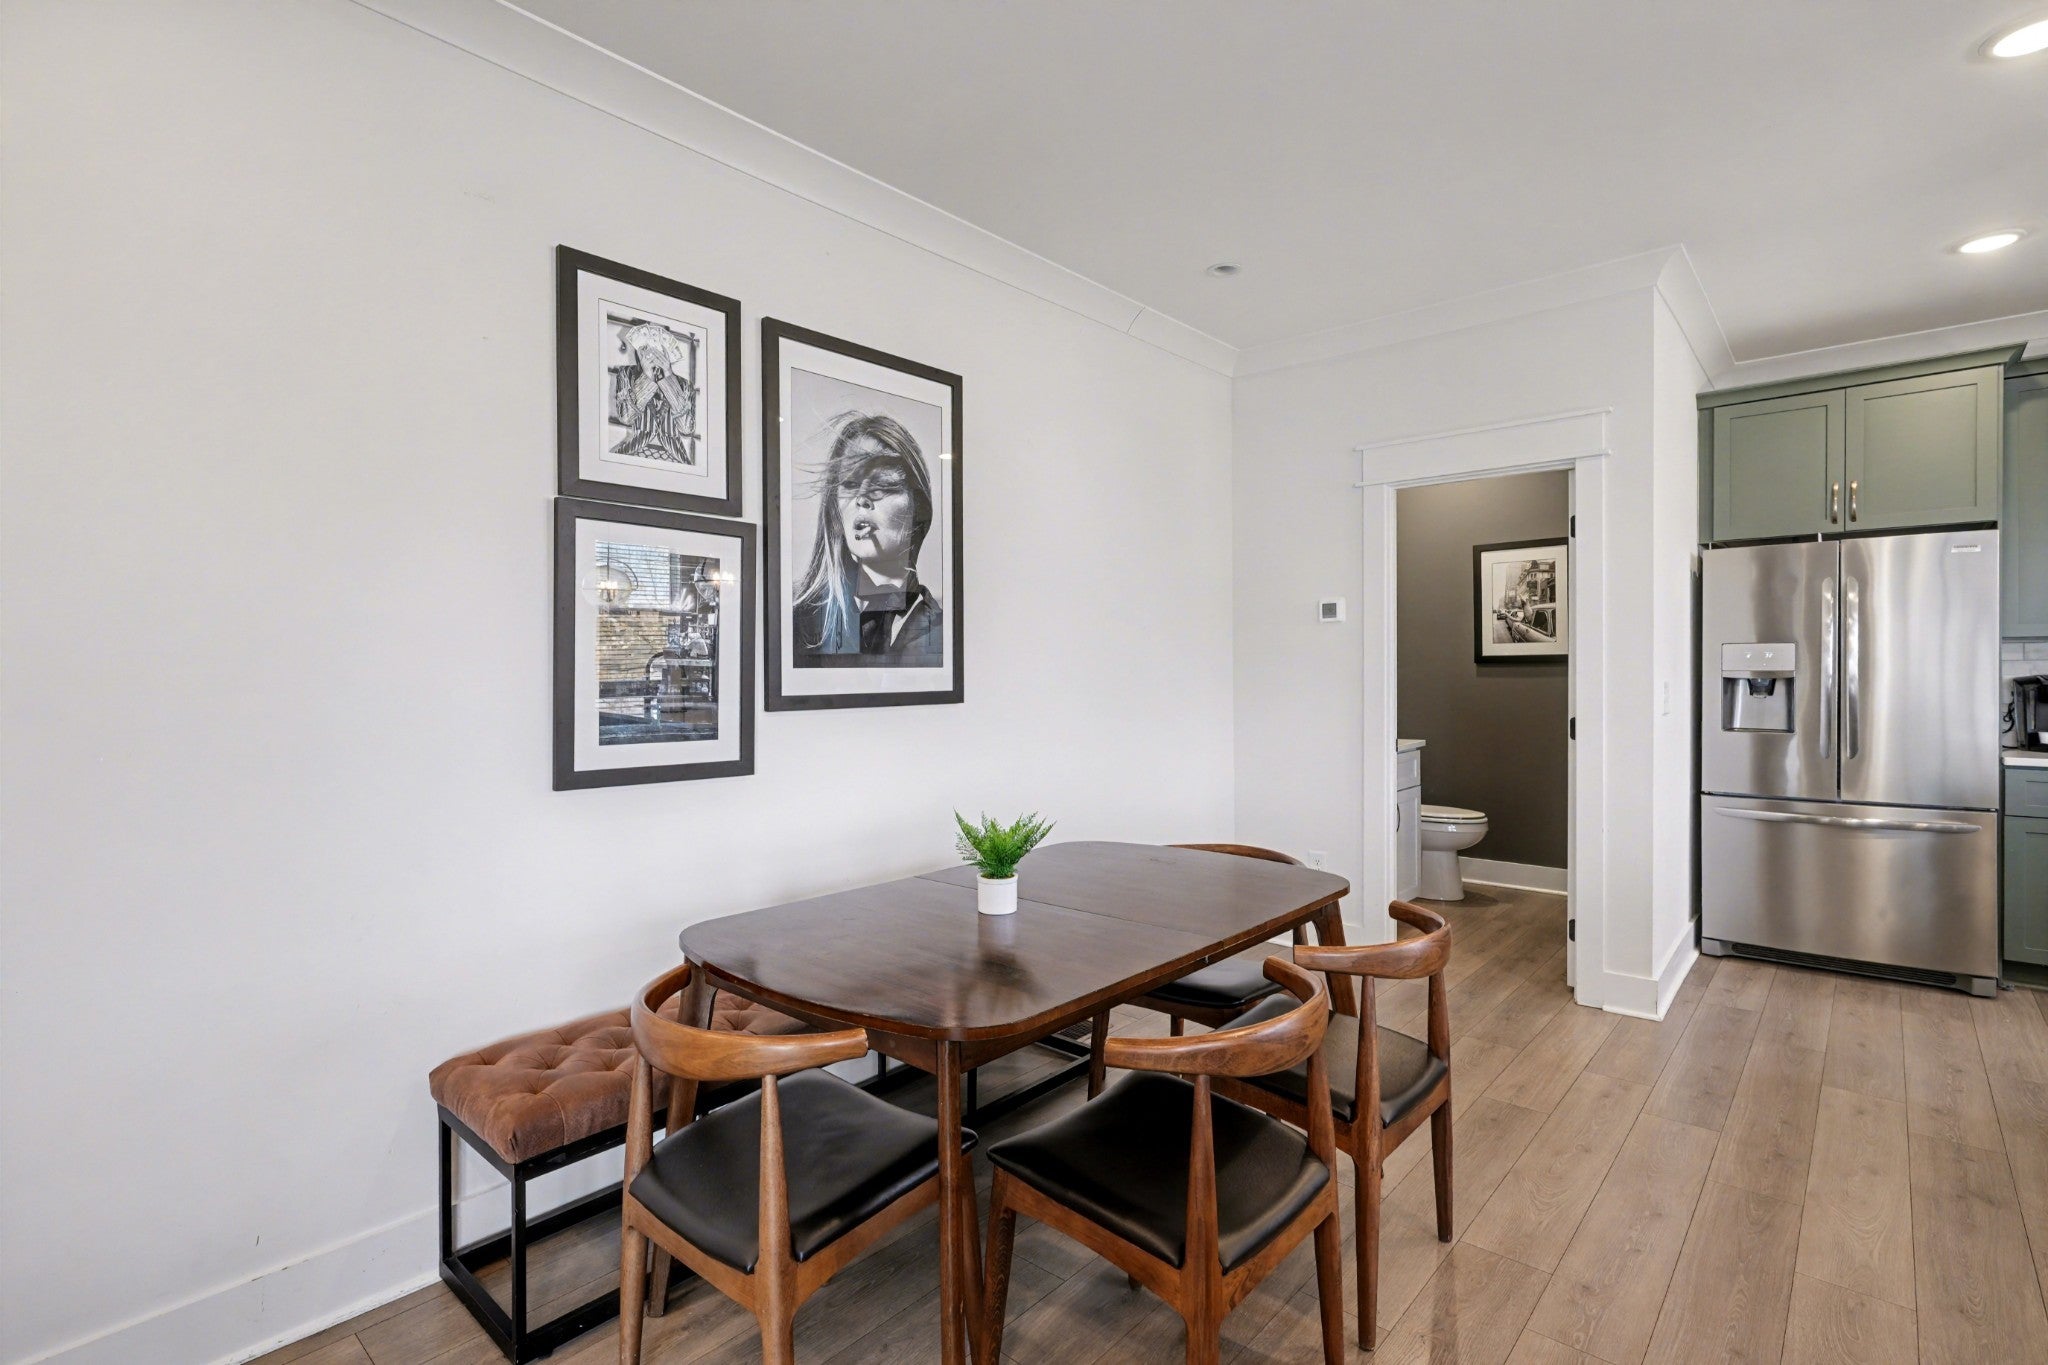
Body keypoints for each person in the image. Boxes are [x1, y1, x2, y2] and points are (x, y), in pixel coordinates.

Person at [791, 413, 943, 665]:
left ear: (918, 508)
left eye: (882, 486)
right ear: (834, 513)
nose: (862, 498)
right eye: (849, 485)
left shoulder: (940, 632)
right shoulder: (800, 619)